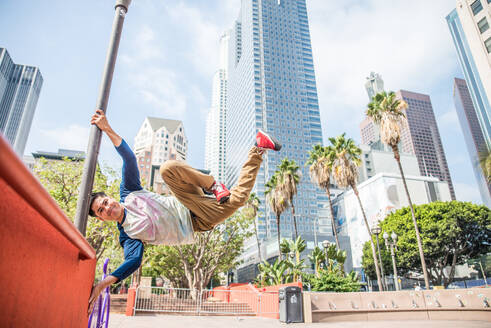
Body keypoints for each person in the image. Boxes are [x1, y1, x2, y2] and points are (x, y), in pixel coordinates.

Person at [87, 109, 281, 313]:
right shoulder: (128, 236)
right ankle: (258, 148)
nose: (108, 208)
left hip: (185, 199)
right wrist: (102, 285)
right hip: (197, 221)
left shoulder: (129, 192)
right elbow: (133, 261)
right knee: (239, 198)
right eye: (102, 210)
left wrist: (106, 127)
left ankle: (214, 185)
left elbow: (128, 158)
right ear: (101, 218)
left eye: (106, 202)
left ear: (110, 197)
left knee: (167, 168)